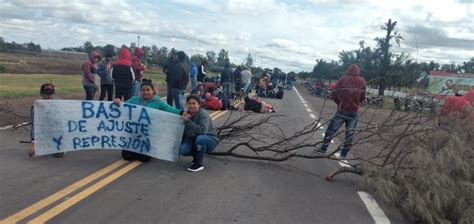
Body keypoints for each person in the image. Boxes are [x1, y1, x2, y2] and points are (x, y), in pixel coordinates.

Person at [113, 78, 183, 162]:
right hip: (134, 134)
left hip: (148, 135)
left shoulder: (158, 102)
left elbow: (171, 110)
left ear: (153, 91)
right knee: (127, 156)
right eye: (143, 90)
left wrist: (183, 113)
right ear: (140, 91)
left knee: (143, 158)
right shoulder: (135, 99)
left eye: (148, 90)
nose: (145, 92)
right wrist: (118, 102)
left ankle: (150, 148)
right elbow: (123, 106)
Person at [315, 64, 366, 159]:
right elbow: (363, 97)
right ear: (358, 71)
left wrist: (338, 102)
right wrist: (356, 104)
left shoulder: (343, 79)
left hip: (342, 110)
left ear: (348, 70)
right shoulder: (362, 81)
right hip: (353, 112)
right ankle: (343, 155)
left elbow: (334, 92)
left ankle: (323, 149)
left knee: (331, 130)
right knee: (350, 134)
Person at [179, 94, 219, 172]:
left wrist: (188, 121)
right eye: (189, 103)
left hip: (209, 140)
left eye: (194, 103)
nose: (192, 106)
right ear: (187, 104)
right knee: (183, 150)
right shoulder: (186, 115)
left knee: (200, 138)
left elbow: (202, 131)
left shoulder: (203, 114)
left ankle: (199, 163)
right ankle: (197, 156)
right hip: (194, 139)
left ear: (199, 104)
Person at [29, 83, 64, 158]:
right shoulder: (36, 107)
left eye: (51, 94)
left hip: (57, 129)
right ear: (41, 94)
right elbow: (34, 125)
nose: (49, 96)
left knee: (59, 154)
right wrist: (33, 144)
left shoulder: (59, 103)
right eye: (47, 94)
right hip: (45, 128)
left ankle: (59, 144)